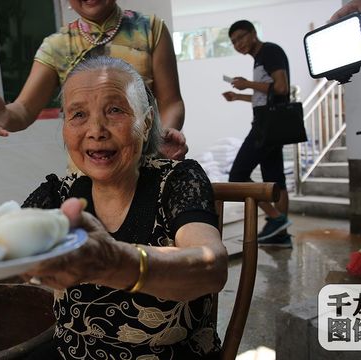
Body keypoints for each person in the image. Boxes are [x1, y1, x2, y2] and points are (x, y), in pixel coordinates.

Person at [21, 56, 227, 359]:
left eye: (115, 110)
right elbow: (4, 250)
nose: (96, 130)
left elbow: (212, 266)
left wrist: (115, 263)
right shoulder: (58, 193)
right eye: (78, 114)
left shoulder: (176, 180)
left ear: (145, 123)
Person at [0, 0, 188, 161]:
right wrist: (5, 114)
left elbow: (171, 102)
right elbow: (24, 109)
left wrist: (160, 140)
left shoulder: (150, 29)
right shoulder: (57, 46)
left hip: (149, 161)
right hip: (93, 170)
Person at [221, 20, 293, 247]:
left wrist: (248, 84)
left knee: (237, 175)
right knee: (276, 182)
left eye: (241, 37)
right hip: (270, 123)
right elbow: (267, 97)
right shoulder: (259, 59)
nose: (238, 44)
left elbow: (282, 88)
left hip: (267, 125)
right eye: (233, 42)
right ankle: (281, 236)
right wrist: (239, 96)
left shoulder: (270, 51)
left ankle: (276, 218)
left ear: (253, 33)